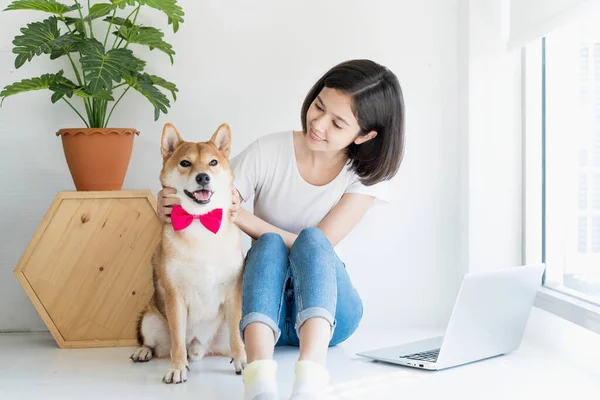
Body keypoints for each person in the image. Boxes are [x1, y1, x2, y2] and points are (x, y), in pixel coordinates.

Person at [156, 59, 405, 400]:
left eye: (337, 122)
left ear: (365, 135)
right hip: (262, 310)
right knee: (269, 246)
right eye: (318, 106)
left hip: (328, 315)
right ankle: (258, 379)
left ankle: (310, 379)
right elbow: (210, 197)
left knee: (310, 241)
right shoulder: (268, 151)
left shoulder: (365, 178)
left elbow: (319, 244)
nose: (318, 123)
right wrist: (169, 201)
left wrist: (242, 217)